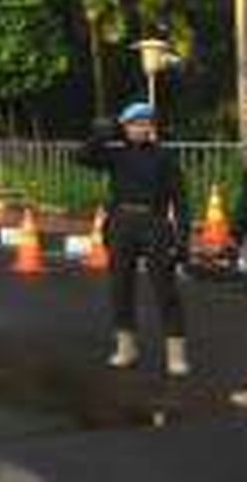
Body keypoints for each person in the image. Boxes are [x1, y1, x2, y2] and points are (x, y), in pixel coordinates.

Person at [75, 101, 190, 376]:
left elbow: (180, 200)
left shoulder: (164, 157)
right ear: (125, 127)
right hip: (121, 224)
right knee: (120, 287)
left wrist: (183, 238)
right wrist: (101, 135)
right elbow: (81, 158)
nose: (141, 128)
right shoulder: (115, 154)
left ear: (152, 127)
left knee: (166, 289)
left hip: (155, 223)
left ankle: (176, 355)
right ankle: (126, 348)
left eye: (146, 123)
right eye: (135, 123)